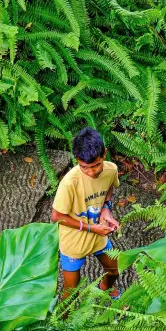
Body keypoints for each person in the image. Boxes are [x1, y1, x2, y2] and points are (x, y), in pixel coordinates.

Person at [51, 126, 121, 300]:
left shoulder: (111, 170)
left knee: (114, 270)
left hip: (99, 236)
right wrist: (90, 228)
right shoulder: (69, 183)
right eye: (84, 167)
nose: (92, 172)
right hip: (73, 243)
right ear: (76, 160)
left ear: (104, 154)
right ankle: (65, 322)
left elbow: (110, 185)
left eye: (96, 165)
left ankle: (105, 287)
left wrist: (106, 208)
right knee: (70, 293)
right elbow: (57, 217)